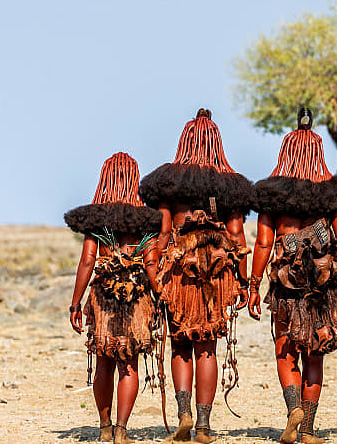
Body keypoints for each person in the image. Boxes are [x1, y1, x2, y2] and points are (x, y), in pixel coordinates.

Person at [140, 109, 253, 443]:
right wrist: (243, 283)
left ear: (185, 141)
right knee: (207, 347)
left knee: (180, 344)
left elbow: (162, 235)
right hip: (217, 275)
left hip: (178, 272)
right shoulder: (230, 186)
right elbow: (237, 237)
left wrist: (154, 275)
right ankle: (203, 426)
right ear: (216, 142)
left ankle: (184, 414)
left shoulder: (168, 184)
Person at [249, 107, 337, 444]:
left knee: (285, 347)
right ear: (319, 151)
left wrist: (253, 286)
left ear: (286, 151)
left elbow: (263, 243)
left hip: (284, 279)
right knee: (315, 351)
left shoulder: (271, 194)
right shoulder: (331, 193)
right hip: (322, 280)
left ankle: (293, 408)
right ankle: (307, 428)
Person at [65, 152, 164, 444]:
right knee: (128, 363)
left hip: (103, 297)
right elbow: (151, 263)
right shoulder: (146, 218)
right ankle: (122, 430)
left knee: (103, 362)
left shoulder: (96, 218)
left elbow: (87, 261)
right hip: (136, 297)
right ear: (135, 179)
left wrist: (75, 304)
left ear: (105, 178)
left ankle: (104, 426)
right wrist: (160, 298)